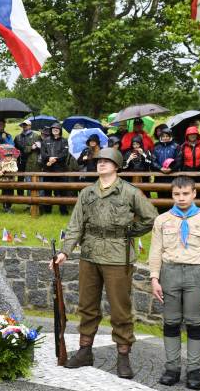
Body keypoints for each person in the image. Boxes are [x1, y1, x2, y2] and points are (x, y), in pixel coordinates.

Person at [52, 147, 157, 378]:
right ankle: (85, 351)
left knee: (120, 309)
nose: (101, 164)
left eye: (107, 161)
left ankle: (123, 356)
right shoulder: (87, 193)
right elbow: (75, 225)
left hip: (118, 256)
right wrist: (65, 252)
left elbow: (151, 218)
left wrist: (129, 232)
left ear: (117, 165)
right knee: (87, 306)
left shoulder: (129, 192)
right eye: (99, 161)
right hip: (89, 254)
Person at [148, 176, 200, 390]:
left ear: (194, 193)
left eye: (186, 193)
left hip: (196, 274)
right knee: (171, 321)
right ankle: (172, 368)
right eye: (177, 194)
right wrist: (154, 278)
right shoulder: (162, 220)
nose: (181, 198)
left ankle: (194, 371)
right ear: (172, 195)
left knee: (194, 322)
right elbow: (155, 251)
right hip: (169, 273)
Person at [40, 122, 70, 214]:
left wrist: (55, 159)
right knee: (47, 190)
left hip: (60, 170)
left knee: (62, 191)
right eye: (53, 128)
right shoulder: (46, 140)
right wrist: (49, 158)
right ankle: (47, 211)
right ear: (51, 130)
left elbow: (65, 153)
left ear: (60, 130)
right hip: (48, 169)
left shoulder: (64, 140)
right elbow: (43, 153)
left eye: (57, 128)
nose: (55, 130)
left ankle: (63, 211)